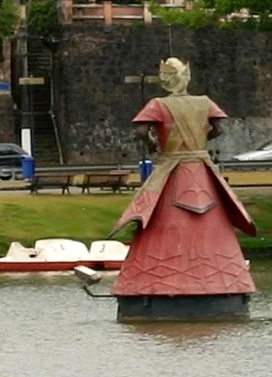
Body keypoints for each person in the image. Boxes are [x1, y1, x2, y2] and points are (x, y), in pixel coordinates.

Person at [109, 57, 257, 319]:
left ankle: (153, 283)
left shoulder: (159, 105)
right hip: (201, 169)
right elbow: (219, 128)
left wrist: (155, 145)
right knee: (213, 228)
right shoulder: (204, 102)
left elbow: (140, 130)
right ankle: (220, 281)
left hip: (172, 169)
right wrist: (201, 142)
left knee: (160, 226)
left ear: (165, 80)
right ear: (186, 77)